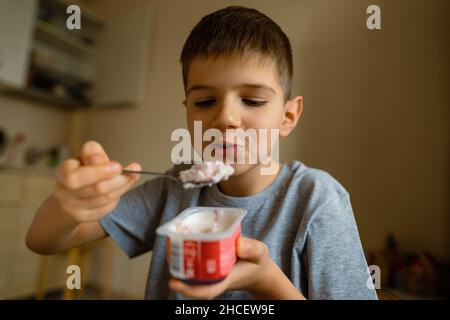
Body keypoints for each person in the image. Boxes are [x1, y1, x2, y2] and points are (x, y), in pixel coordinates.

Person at [26, 6, 377, 300]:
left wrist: (267, 282)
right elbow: (42, 241)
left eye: (252, 101)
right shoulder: (175, 186)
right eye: (205, 102)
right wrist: (69, 204)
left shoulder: (317, 199)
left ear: (287, 116)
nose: (225, 118)